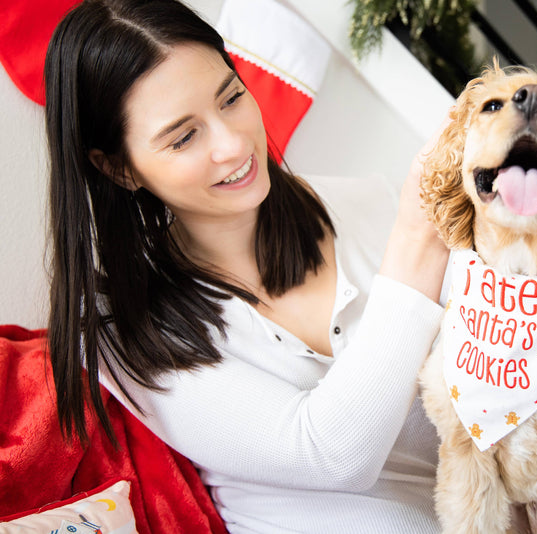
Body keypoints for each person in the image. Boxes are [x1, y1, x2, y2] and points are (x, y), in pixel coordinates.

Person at [44, 0, 450, 532]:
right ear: (118, 168)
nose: (234, 145)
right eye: (184, 136)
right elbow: (331, 455)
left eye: (232, 97)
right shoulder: (122, 327)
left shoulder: (366, 205)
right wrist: (419, 242)